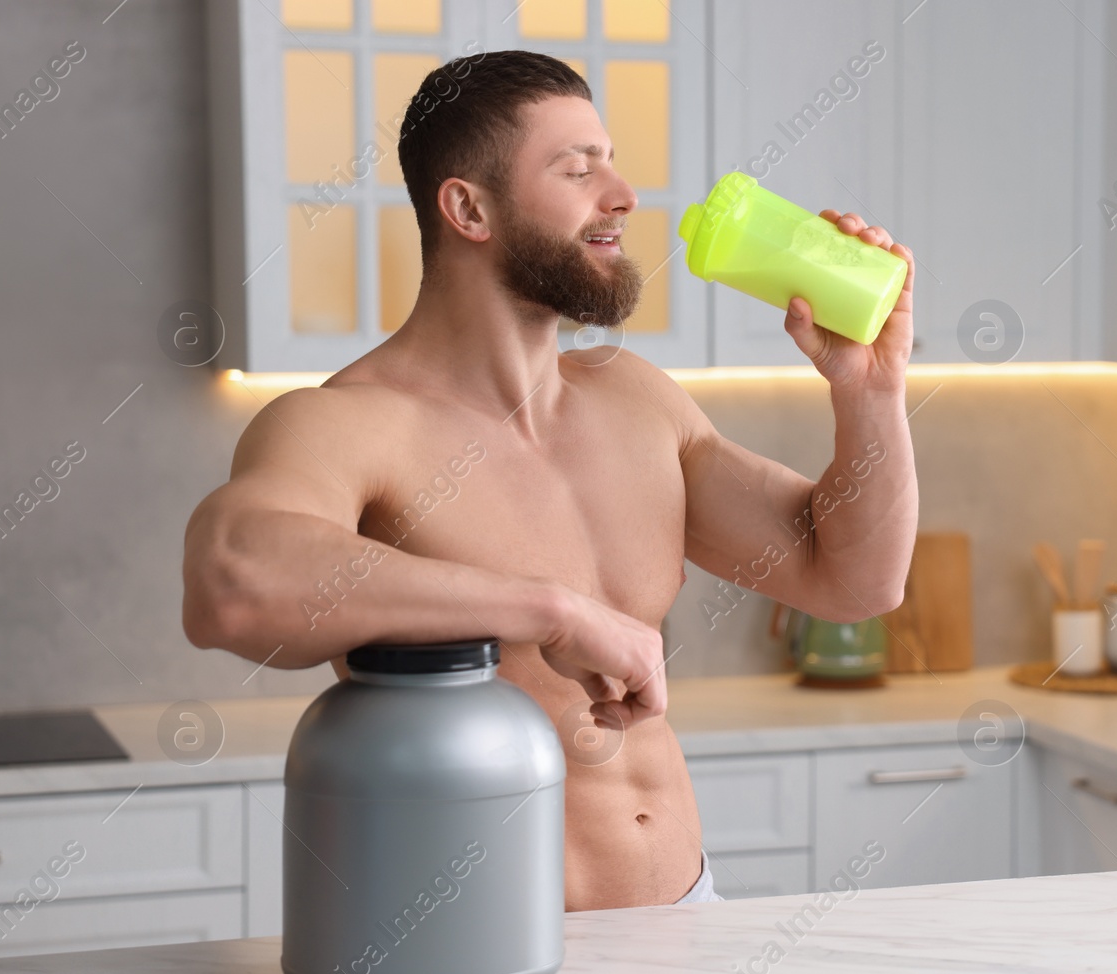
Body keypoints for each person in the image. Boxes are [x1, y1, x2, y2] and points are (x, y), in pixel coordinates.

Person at [181, 51, 918, 910]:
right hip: (492, 958)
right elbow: (230, 583)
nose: (624, 195)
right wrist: (552, 609)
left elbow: (856, 579)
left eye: (610, 160)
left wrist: (872, 393)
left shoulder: (637, 402)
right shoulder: (347, 423)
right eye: (579, 169)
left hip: (688, 915)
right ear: (468, 207)